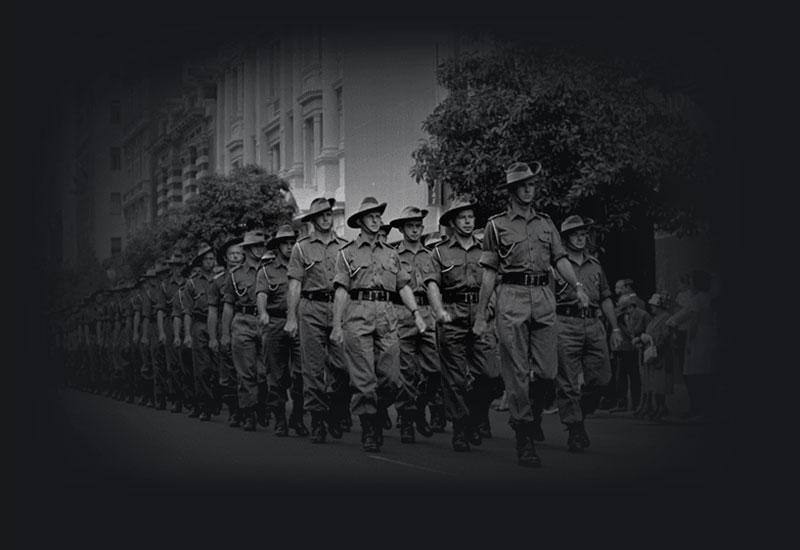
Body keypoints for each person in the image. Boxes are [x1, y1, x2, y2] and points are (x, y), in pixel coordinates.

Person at [472, 161, 590, 468]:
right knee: (518, 374)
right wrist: (482, 315)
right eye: (523, 185)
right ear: (512, 190)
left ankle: (531, 414)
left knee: (548, 372)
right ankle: (524, 436)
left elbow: (560, 259)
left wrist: (576, 285)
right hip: (511, 297)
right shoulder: (496, 226)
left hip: (543, 297)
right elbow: (488, 273)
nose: (529, 189)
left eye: (532, 184)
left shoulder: (546, 223)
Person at [331, 196, 426, 453]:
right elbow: (341, 290)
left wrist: (416, 312)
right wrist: (337, 325)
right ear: (360, 221)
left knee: (391, 378)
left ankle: (378, 409)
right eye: (370, 216)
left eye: (378, 216)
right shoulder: (347, 253)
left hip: (387, 314)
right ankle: (370, 428)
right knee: (364, 380)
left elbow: (403, 285)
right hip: (357, 313)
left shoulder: (391, 253)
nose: (376, 219)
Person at [425, 197, 499, 452]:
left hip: (481, 315)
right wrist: (439, 311)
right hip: (453, 316)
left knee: (491, 374)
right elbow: (433, 284)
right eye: (462, 217)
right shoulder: (439, 252)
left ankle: (475, 416)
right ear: (453, 223)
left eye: (470, 216)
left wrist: (489, 310)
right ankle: (460, 427)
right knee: (455, 379)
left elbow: (493, 283)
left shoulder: (486, 251)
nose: (468, 221)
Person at [552, 215, 623, 452]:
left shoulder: (595, 265)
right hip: (565, 322)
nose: (581, 239)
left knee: (603, 377)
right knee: (568, 381)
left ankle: (579, 412)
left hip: (593, 323)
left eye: (584, 234)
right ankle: (575, 430)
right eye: (575, 234)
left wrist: (614, 328)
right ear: (565, 239)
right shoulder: (557, 267)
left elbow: (605, 298)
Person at [284, 197, 352, 444]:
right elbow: (294, 284)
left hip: (337, 308)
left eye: (328, 214)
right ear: (312, 220)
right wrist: (291, 317)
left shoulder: (344, 246)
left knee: (343, 366)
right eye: (321, 215)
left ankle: (335, 409)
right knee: (312, 369)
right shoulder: (301, 248)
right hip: (310, 307)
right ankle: (318, 419)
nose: (326, 218)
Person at [388, 206, 440, 443]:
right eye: (410, 226)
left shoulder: (431, 255)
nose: (415, 230)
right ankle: (407, 420)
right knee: (407, 373)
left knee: (435, 369)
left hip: (428, 315)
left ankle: (419, 406)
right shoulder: (393, 255)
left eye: (418, 226)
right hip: (402, 314)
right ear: (401, 228)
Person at [256, 225, 306, 437]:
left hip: (300, 322)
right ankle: (279, 419)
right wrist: (263, 313)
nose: (289, 246)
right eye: (284, 243)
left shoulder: (304, 267)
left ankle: (298, 415)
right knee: (276, 374)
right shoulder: (267, 271)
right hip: (276, 323)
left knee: (303, 372)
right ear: (277, 247)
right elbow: (261, 295)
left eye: (291, 242)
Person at [221, 230, 269, 432]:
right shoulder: (235, 275)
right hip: (242, 321)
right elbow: (228, 306)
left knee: (264, 371)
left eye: (261, 245)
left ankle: (262, 405)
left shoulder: (270, 269)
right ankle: (248, 413)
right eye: (255, 246)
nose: (259, 249)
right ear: (247, 249)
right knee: (245, 372)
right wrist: (225, 333)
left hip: (266, 321)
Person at [667, 270, 719, 420]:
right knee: (706, 372)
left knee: (695, 373)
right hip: (710, 335)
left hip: (699, 338)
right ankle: (706, 408)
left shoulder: (697, 300)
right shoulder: (708, 297)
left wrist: (689, 342)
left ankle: (700, 409)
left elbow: (692, 320)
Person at [209, 235, 244, 427]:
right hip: (226, 326)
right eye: (232, 254)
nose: (236, 257)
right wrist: (215, 336)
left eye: (239, 253)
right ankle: (234, 410)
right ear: (225, 257)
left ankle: (251, 409)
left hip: (247, 323)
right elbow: (213, 310)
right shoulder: (218, 281)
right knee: (228, 372)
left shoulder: (253, 275)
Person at [182, 243, 219, 421]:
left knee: (218, 366)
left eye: (213, 258)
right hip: (199, 324)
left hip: (218, 323)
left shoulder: (221, 278)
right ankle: (203, 405)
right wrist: (188, 335)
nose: (211, 262)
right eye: (207, 259)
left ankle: (215, 401)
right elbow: (187, 311)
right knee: (201, 368)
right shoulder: (192, 283)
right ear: (200, 261)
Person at [634, 292, 672, 421]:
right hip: (650, 351)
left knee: (660, 382)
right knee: (653, 382)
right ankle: (658, 407)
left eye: (654, 305)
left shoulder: (666, 317)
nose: (652, 307)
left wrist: (653, 342)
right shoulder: (654, 319)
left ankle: (661, 407)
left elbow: (665, 335)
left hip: (659, 352)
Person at [614, 289, 650, 413]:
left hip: (636, 349)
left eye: (625, 309)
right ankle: (622, 402)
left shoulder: (643, 315)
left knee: (635, 377)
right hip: (624, 349)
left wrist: (639, 340)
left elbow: (648, 332)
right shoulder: (620, 317)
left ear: (631, 306)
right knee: (621, 376)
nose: (623, 312)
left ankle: (636, 403)